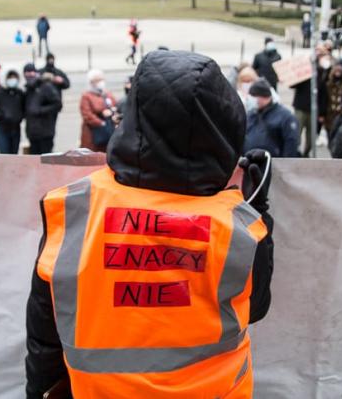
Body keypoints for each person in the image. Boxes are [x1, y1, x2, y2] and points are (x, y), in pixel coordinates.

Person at [24, 50, 273, 399]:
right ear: (225, 127)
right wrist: (258, 205)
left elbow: (45, 329)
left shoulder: (73, 208)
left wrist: (40, 391)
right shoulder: (238, 228)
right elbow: (255, 308)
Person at [244, 78, 300, 158]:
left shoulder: (285, 117)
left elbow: (291, 143)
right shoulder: (251, 115)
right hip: (251, 163)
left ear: (263, 96)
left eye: (253, 96)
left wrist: (284, 167)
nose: (250, 99)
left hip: (273, 164)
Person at [291, 47, 330, 155]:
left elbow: (324, 94)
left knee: (311, 137)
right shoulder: (305, 69)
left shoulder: (324, 72)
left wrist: (322, 113)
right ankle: (295, 153)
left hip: (314, 110)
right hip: (301, 107)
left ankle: (305, 153)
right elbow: (293, 84)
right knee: (296, 133)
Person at [23, 63, 62, 155]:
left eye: (31, 72)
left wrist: (41, 110)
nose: (29, 74)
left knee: (45, 158)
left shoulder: (46, 87)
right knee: (35, 159)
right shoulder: (28, 89)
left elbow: (57, 104)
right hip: (32, 132)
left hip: (45, 132)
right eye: (27, 72)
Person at [0, 69, 26, 154]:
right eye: (10, 77)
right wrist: (0, 115)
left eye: (14, 77)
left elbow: (24, 107)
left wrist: (20, 116)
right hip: (3, 128)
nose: (12, 80)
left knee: (14, 153)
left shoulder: (19, 92)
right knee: (4, 152)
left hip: (16, 128)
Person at [79, 69, 118, 153]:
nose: (101, 82)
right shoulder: (86, 96)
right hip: (93, 133)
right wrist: (101, 123)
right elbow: (87, 115)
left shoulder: (107, 94)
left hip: (108, 131)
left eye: (101, 79)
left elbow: (116, 106)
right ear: (91, 82)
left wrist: (112, 112)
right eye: (97, 80)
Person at [324, 64, 342, 135]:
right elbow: (325, 99)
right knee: (330, 132)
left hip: (341, 113)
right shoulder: (329, 85)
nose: (338, 74)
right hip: (330, 114)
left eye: (339, 72)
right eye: (336, 72)